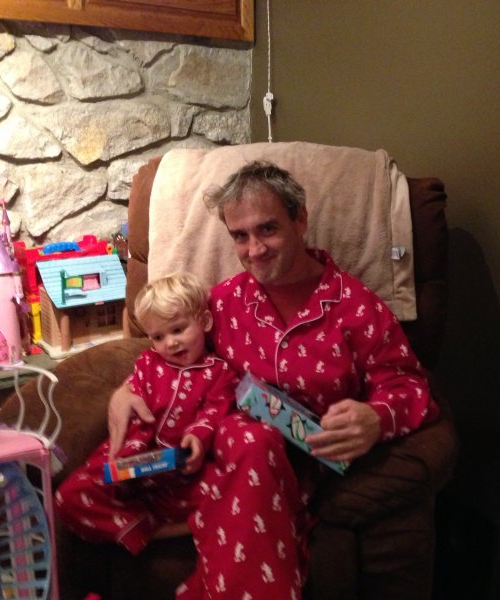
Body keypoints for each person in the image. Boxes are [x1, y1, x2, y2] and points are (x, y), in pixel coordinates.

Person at [108, 160, 440, 599]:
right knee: (239, 439)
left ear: (300, 220)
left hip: (304, 467)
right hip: (213, 459)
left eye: (267, 229)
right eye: (240, 236)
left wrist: (376, 419)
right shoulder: (222, 303)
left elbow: (410, 386)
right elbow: (171, 353)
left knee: (253, 442)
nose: (254, 249)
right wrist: (126, 390)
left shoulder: (356, 307)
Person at [55, 273, 239, 556]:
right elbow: (132, 393)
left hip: (184, 473)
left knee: (232, 490)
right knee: (68, 496)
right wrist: (128, 424)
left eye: (178, 330)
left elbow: (215, 411)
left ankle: (177, 526)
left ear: (204, 322)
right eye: (158, 337)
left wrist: (197, 436)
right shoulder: (148, 363)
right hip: (136, 463)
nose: (170, 343)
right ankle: (151, 530)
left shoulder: (219, 372)